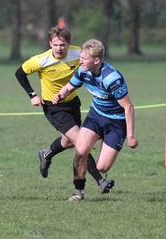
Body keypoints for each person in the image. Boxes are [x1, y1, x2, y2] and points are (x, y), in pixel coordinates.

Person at [15, 26, 113, 193]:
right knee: (80, 143)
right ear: (50, 44)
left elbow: (92, 65)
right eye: (55, 45)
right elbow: (19, 73)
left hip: (73, 102)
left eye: (62, 45)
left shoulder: (78, 54)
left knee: (68, 141)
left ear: (69, 44)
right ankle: (100, 181)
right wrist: (32, 95)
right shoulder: (41, 60)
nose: (59, 49)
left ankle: (45, 155)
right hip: (53, 106)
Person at [52, 39, 139, 201]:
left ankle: (107, 142)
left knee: (102, 167)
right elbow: (69, 87)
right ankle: (79, 193)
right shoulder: (83, 71)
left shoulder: (112, 79)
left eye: (84, 58)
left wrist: (131, 135)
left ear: (97, 60)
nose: (80, 61)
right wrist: (61, 94)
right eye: (81, 57)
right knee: (80, 151)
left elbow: (129, 107)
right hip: (96, 116)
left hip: (116, 122)